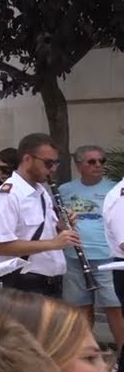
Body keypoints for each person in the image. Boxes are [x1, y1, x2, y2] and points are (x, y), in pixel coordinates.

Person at [0, 133, 77, 297]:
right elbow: (0, 246)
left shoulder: (41, 192)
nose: (53, 169)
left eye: (56, 163)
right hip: (23, 285)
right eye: (48, 163)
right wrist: (53, 243)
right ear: (27, 159)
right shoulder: (7, 196)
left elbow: (39, 235)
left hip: (49, 284)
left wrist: (60, 227)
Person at [58, 145, 122, 345]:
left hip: (106, 257)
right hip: (74, 256)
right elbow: (57, 221)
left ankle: (122, 354)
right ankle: (84, 353)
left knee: (114, 307)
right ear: (78, 165)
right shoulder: (64, 190)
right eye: (92, 161)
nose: (98, 165)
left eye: (102, 161)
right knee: (80, 308)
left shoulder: (114, 188)